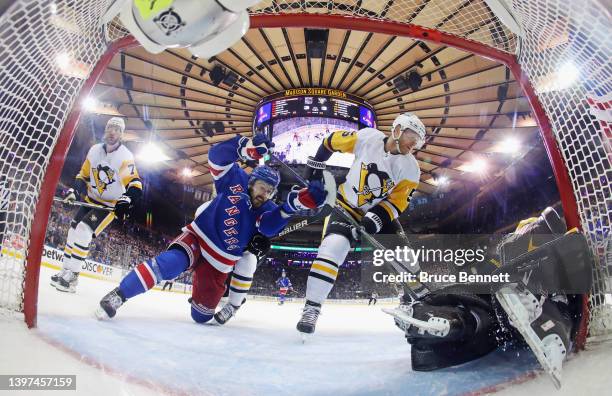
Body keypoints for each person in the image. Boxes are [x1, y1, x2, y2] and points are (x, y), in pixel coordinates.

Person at [95, 133, 329, 324]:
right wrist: (246, 147)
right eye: (261, 187)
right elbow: (216, 157)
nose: (264, 194)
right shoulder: (235, 179)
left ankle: (231, 303)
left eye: (269, 191)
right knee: (168, 264)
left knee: (201, 317)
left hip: (221, 261)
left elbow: (268, 227)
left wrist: (296, 204)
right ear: (251, 182)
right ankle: (119, 295)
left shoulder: (265, 208)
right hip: (199, 238)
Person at [296, 112, 425, 335]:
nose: (414, 144)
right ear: (397, 130)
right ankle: (312, 307)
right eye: (411, 136)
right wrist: (316, 164)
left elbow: (396, 204)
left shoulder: (411, 169)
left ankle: (415, 303)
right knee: (332, 249)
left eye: (418, 141)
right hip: (346, 205)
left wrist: (373, 220)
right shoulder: (367, 138)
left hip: (379, 213)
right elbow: (331, 141)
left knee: (406, 260)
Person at [51, 117, 142, 293]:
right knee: (72, 231)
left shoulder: (124, 157)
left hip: (108, 206)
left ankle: (73, 279)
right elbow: (82, 175)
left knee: (84, 231)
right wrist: (73, 191)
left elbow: (135, 184)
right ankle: (65, 271)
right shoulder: (94, 151)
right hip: (90, 200)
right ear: (105, 131)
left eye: (116, 129)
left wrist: (127, 199)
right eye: (109, 128)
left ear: (121, 134)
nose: (112, 131)